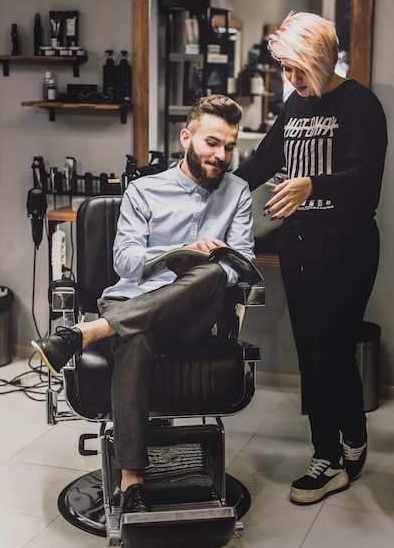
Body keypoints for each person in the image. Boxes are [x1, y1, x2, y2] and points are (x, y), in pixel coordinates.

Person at [32, 94, 255, 514]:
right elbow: (126, 261)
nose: (221, 155)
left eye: (229, 146)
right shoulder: (144, 190)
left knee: (214, 270)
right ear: (186, 137)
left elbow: (241, 265)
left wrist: (204, 263)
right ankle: (131, 479)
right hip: (133, 302)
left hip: (191, 321)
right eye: (212, 143)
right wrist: (176, 253)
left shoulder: (237, 191)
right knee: (133, 339)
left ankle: (85, 333)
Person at [235, 11, 387, 505]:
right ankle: (326, 452)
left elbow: (366, 183)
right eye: (285, 69)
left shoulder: (360, 104)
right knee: (309, 352)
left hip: (345, 244)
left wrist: (311, 185)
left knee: (332, 350)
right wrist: (205, 186)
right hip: (296, 243)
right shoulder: (295, 106)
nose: (290, 79)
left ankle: (353, 440)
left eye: (297, 68)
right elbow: (260, 163)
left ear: (320, 59)